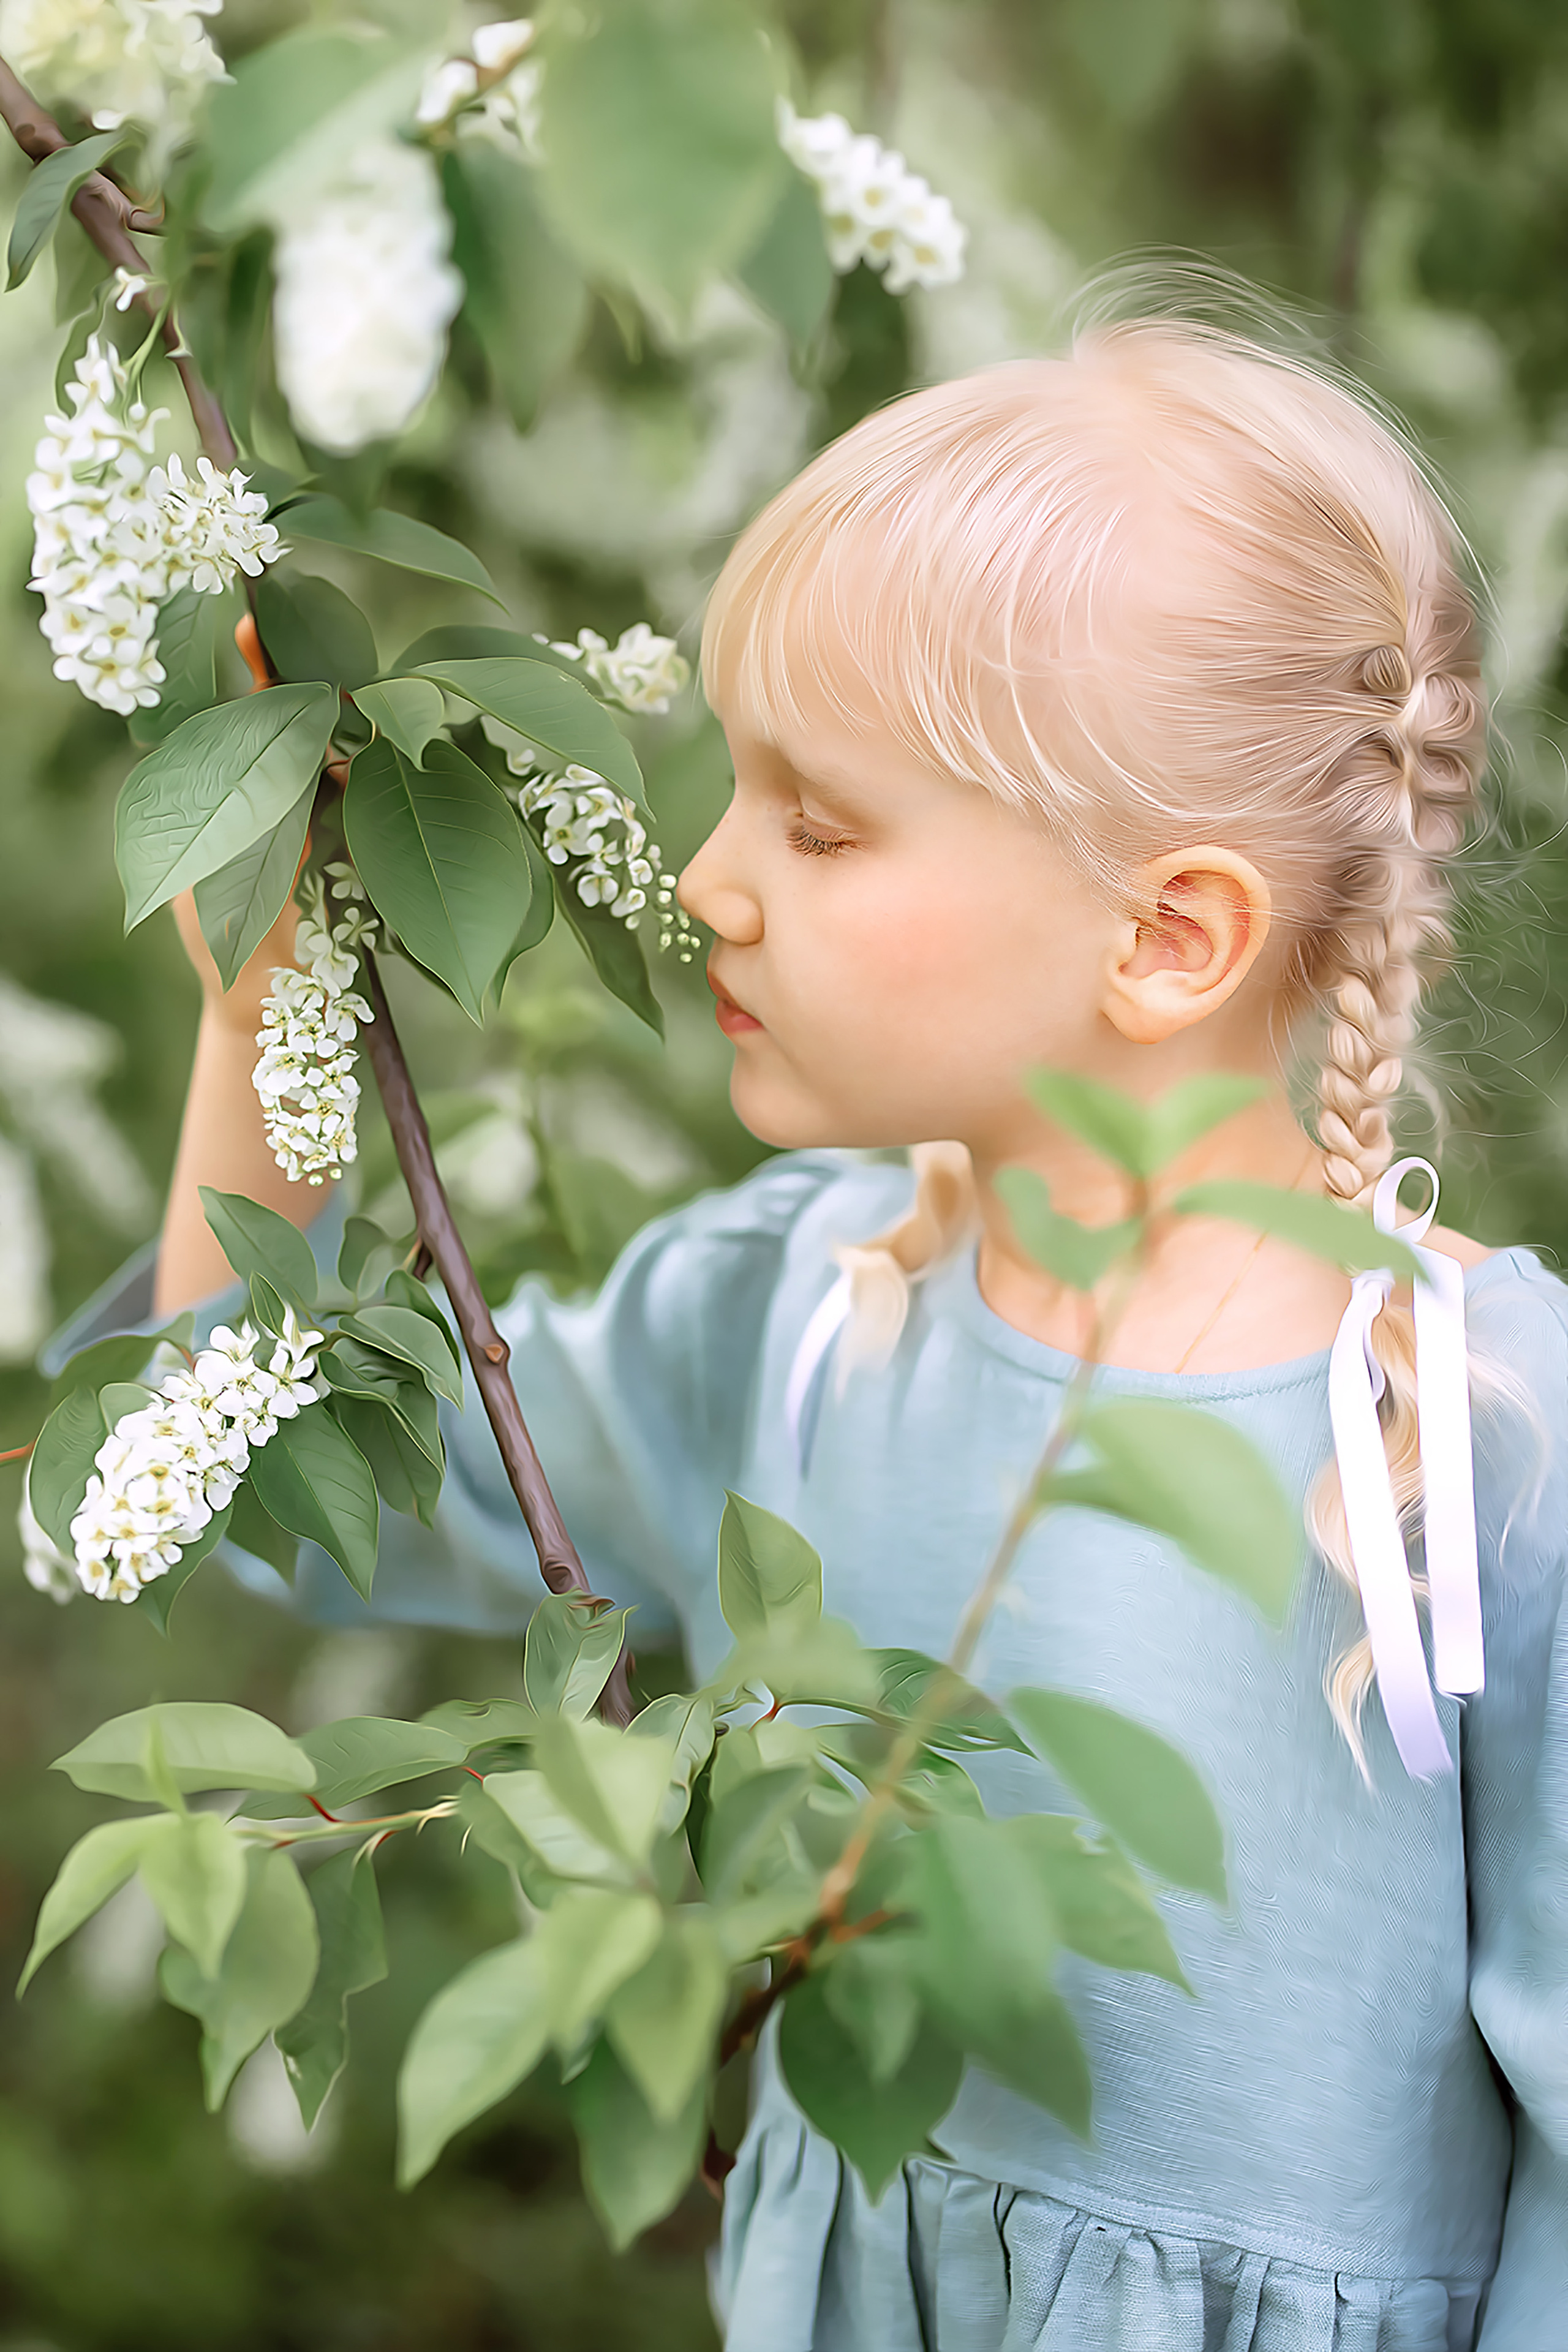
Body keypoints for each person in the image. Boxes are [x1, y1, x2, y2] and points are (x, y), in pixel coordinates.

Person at [115, 305, 1567, 2349]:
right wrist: (257, 1002)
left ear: (1167, 936)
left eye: (817, 820)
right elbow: (238, 1467)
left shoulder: (1480, 1458)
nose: (705, 880)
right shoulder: (803, 1314)